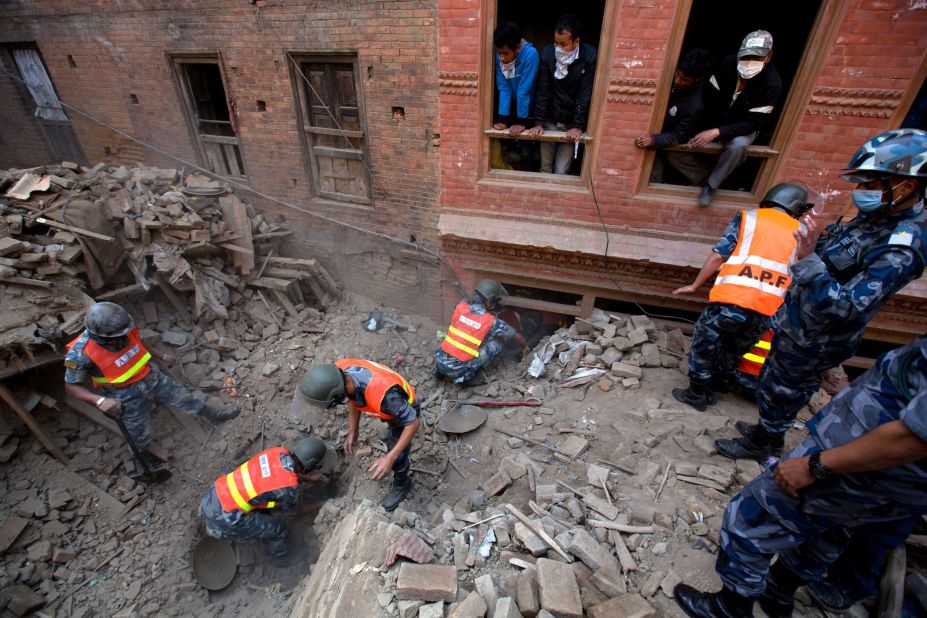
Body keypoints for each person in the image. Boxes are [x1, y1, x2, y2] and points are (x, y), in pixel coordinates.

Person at [672, 333, 927, 618]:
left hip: (866, 463)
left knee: (750, 517)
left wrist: (817, 464)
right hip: (898, 481)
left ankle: (730, 608)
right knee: (834, 529)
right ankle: (778, 591)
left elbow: (913, 438)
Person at [717, 128, 927, 460]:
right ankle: (765, 429)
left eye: (870, 185)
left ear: (907, 186)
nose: (860, 192)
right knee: (773, 382)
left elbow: (847, 307)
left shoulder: (902, 247)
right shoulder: (875, 218)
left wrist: (808, 258)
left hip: (817, 339)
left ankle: (764, 442)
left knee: (786, 390)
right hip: (798, 323)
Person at [670, 182, 812, 411]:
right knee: (734, 350)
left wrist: (696, 285)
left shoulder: (749, 218)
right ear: (796, 207)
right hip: (767, 308)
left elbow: (719, 256)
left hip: (732, 300)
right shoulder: (802, 233)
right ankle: (714, 389)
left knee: (705, 344)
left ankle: (696, 394)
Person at [64, 302, 240, 481]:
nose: (124, 335)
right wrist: (99, 401)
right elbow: (71, 387)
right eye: (119, 335)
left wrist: (161, 355)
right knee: (139, 433)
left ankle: (215, 415)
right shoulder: (80, 353)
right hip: (125, 396)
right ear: (100, 335)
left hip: (152, 378)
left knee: (184, 398)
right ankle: (144, 463)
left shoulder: (124, 328)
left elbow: (140, 343)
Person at [665, 30, 782, 207]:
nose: (749, 61)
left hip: (742, 127)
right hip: (716, 119)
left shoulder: (771, 84)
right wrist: (700, 126)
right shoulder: (728, 65)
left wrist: (717, 132)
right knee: (677, 149)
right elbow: (708, 96)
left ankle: (712, 184)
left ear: (768, 57)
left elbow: (753, 122)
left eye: (757, 57)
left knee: (738, 146)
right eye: (746, 56)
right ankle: (705, 176)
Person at [294, 359, 420, 511]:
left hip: (406, 407)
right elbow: (351, 398)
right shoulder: (340, 372)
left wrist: (390, 457)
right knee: (390, 424)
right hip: (390, 403)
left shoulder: (384, 397)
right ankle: (392, 426)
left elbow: (413, 423)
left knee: (398, 456)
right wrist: (354, 430)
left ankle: (402, 484)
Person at [200, 437, 329, 560]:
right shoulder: (289, 488)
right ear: (308, 466)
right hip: (225, 517)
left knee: (263, 500)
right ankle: (280, 558)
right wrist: (323, 504)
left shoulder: (277, 452)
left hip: (212, 495)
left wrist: (311, 479)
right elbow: (294, 512)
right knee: (278, 530)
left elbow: (281, 473)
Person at [525, 14, 597, 175]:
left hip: (571, 125)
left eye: (563, 44)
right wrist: (538, 122)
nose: (558, 47)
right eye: (556, 43)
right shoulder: (549, 53)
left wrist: (577, 126)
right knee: (545, 168)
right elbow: (543, 90)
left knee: (561, 171)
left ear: (576, 41)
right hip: (550, 120)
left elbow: (584, 93)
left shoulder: (588, 56)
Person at [635, 48, 713, 182]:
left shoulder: (695, 105)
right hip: (660, 132)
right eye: (677, 74)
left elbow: (679, 135)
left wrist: (654, 140)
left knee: (657, 170)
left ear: (697, 79)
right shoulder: (669, 80)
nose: (677, 81)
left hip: (667, 141)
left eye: (684, 79)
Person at [434, 279, 529, 385]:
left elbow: (465, 324)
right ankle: (467, 377)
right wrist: (525, 347)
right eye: (494, 301)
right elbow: (518, 337)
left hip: (440, 359)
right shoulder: (491, 321)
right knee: (496, 344)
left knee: (454, 340)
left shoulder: (460, 306)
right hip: (458, 369)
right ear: (489, 301)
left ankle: (440, 371)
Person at [493, 21, 539, 137]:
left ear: (517, 47)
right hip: (511, 107)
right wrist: (503, 120)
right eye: (499, 53)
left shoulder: (530, 54)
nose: (501, 58)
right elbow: (504, 87)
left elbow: (524, 90)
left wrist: (521, 122)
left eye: (505, 53)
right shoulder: (499, 56)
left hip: (530, 108)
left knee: (526, 148)